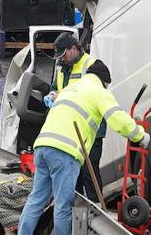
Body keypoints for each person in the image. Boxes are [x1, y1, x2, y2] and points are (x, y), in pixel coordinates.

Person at [15, 74, 149, 235]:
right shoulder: (99, 92)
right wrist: (139, 135)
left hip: (43, 146)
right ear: (105, 82)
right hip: (65, 151)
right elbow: (117, 119)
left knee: (36, 200)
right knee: (63, 204)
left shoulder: (71, 88)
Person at [47, 33, 112, 198]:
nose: (61, 59)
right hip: (71, 130)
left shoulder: (92, 66)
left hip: (90, 129)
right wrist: (52, 95)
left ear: (74, 49)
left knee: (89, 172)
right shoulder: (61, 67)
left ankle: (95, 210)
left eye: (64, 55)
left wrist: (60, 96)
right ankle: (76, 213)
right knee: (72, 174)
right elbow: (56, 87)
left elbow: (95, 96)